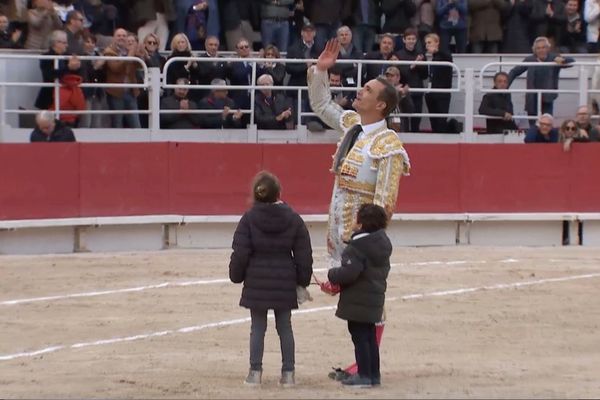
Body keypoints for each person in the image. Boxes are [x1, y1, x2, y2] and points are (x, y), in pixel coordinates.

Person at [308, 39, 410, 382]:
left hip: (360, 240)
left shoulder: (388, 145)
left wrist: (362, 240)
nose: (359, 91)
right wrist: (321, 71)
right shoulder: (353, 126)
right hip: (341, 233)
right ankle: (362, 366)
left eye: (366, 90)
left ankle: (366, 368)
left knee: (367, 305)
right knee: (355, 307)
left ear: (380, 105)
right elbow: (322, 105)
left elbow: (384, 202)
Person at [229, 171, 313, 387]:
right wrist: (302, 282)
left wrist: (236, 276)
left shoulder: (248, 219)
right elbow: (304, 254)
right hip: (284, 279)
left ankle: (254, 373)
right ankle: (288, 374)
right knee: (285, 326)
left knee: (257, 327)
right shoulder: (293, 218)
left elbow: (241, 253)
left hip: (257, 280)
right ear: (279, 193)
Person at [327, 203, 391, 387]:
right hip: (374, 299)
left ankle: (364, 375)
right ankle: (373, 375)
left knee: (360, 338)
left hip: (358, 302)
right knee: (370, 338)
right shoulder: (382, 243)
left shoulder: (357, 247)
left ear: (360, 224)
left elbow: (349, 274)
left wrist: (332, 274)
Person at [508, 36, 574, 127]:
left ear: (548, 48)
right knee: (533, 126)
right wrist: (504, 86)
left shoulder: (553, 57)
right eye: (538, 48)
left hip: (548, 98)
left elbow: (572, 62)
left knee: (546, 124)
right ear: (534, 50)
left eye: (543, 47)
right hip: (532, 98)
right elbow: (514, 72)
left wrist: (563, 60)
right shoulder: (530, 59)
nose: (541, 50)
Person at [424, 33, 453, 133]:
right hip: (432, 93)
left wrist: (437, 50)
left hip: (442, 94)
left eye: (429, 42)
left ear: (437, 43)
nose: (427, 45)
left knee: (441, 121)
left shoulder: (444, 54)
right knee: (433, 121)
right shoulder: (433, 57)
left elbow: (448, 57)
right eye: (426, 43)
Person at [383, 66, 415, 132]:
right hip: (387, 126)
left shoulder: (403, 91)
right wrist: (394, 93)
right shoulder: (382, 91)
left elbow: (410, 110)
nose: (389, 78)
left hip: (401, 126)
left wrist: (403, 95)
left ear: (398, 78)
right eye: (387, 76)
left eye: (391, 76)